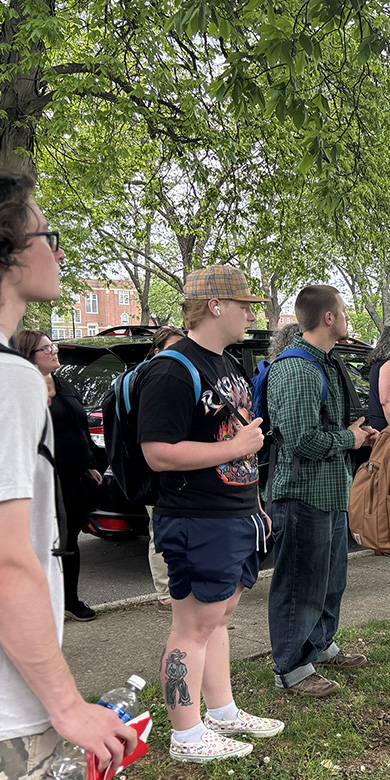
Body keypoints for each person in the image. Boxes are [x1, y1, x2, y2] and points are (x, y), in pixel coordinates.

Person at [0, 170, 136, 778]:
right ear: (9, 252)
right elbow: (7, 561)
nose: (58, 252)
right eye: (46, 236)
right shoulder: (11, 380)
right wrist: (64, 703)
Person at [137, 265, 284, 763]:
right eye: (245, 305)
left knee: (219, 619)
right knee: (193, 626)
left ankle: (222, 712)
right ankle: (186, 735)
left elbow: (235, 438)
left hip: (236, 512)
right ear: (215, 306)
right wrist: (236, 447)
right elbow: (157, 452)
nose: (251, 313)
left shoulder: (228, 363)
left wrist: (254, 494)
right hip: (197, 517)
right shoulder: (173, 368)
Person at [266, 285, 377, 697]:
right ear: (328, 317)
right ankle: (291, 668)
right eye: (344, 311)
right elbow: (300, 440)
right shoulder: (296, 369)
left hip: (330, 492)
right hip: (302, 496)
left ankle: (320, 647)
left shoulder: (326, 363)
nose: (348, 318)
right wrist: (350, 440)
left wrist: (357, 435)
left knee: (329, 581)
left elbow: (328, 428)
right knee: (299, 585)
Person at [16, 329, 104, 621]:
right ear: (30, 356)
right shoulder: (21, 389)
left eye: (52, 346)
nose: (54, 351)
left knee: (70, 541)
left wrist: (90, 463)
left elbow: (80, 430)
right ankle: (38, 604)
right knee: (44, 543)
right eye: (46, 348)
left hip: (75, 477)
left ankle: (70, 599)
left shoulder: (64, 384)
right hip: (44, 481)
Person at [142, 325, 186, 612]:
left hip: (183, 476)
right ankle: (165, 593)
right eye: (175, 349)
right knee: (159, 532)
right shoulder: (153, 379)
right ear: (157, 351)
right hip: (156, 475)